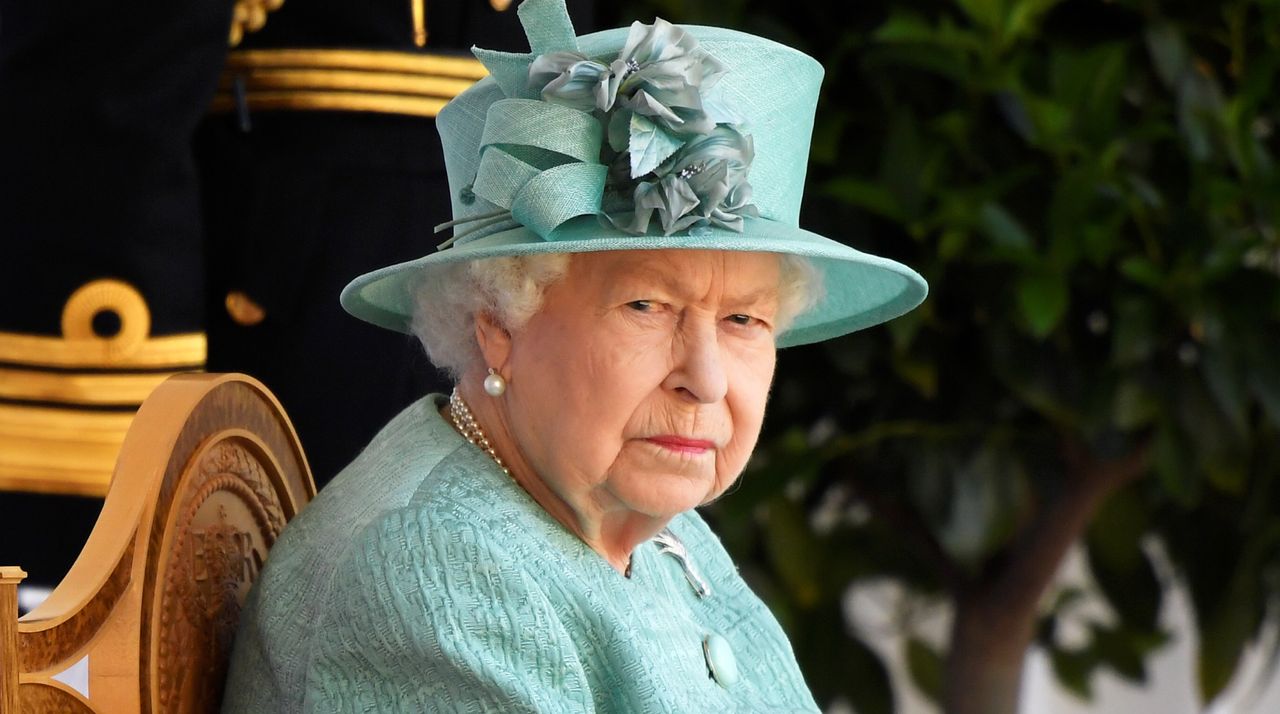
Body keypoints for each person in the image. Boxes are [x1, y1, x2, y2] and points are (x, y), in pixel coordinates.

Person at [221, 0, 928, 710]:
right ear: (497, 321)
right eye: (646, 308)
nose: (706, 381)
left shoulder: (646, 521)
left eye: (744, 319)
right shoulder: (435, 574)